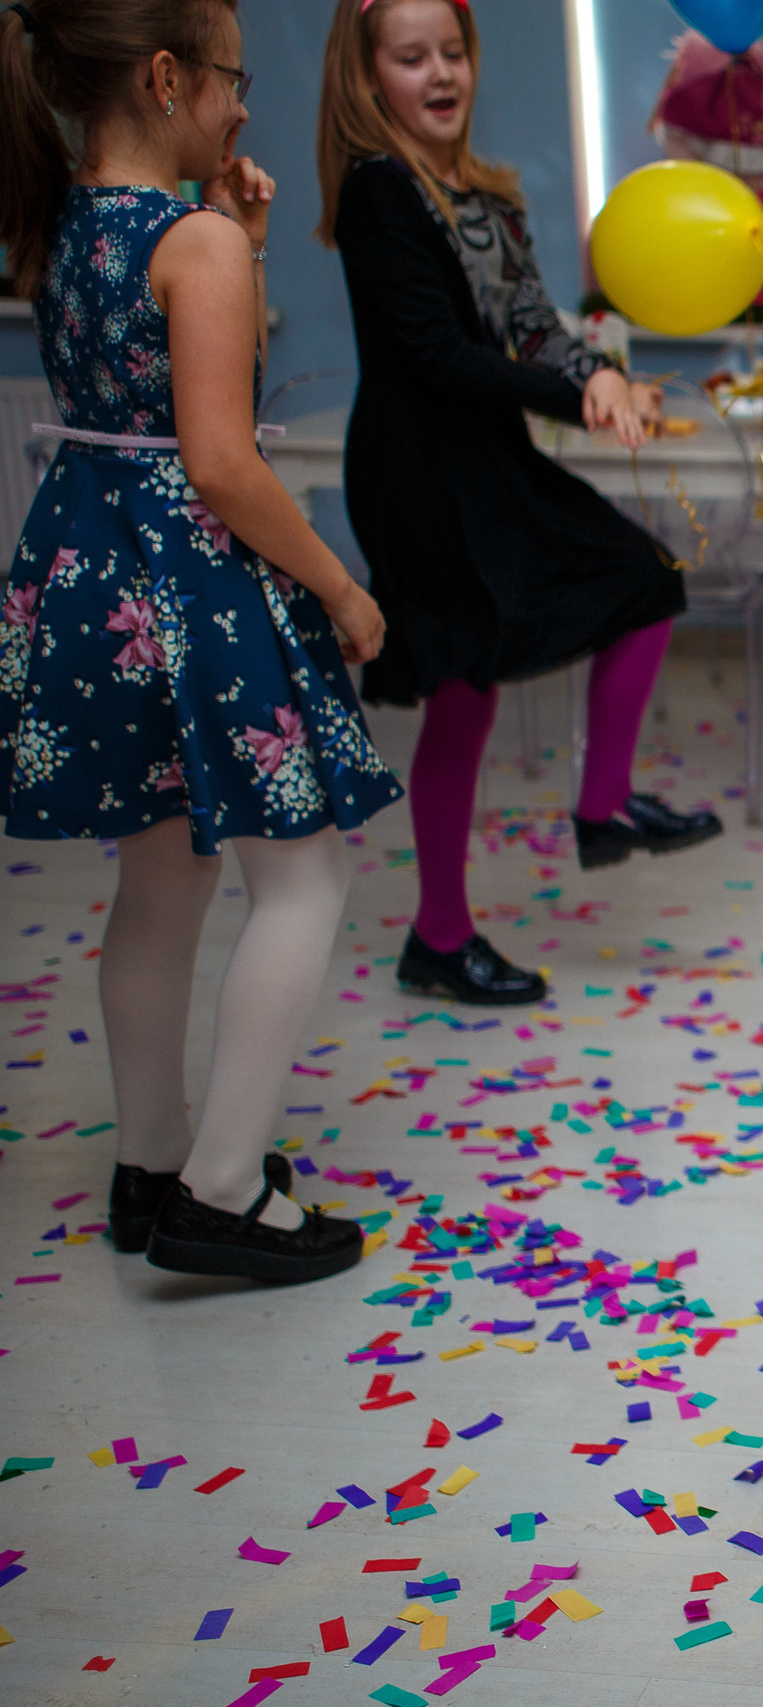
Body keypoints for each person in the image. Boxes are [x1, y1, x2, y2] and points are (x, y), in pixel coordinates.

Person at [0, 0, 396, 1281]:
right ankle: (222, 1190)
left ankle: (152, 1161)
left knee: (159, 884)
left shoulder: (58, 222)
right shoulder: (194, 238)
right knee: (307, 878)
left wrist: (250, 248)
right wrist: (339, 587)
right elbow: (222, 460)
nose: (242, 105)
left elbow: (156, 394)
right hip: (195, 585)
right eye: (229, 77)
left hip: (92, 577)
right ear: (166, 77)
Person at [317, 0, 721, 1010]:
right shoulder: (378, 192)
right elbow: (442, 361)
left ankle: (600, 804)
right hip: (420, 473)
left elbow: (533, 328)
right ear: (370, 77)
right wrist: (577, 397)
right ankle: (441, 937)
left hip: (487, 456)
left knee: (643, 578)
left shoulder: (488, 194)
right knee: (464, 685)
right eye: (412, 58)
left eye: (452, 52)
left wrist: (601, 377)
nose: (440, 73)